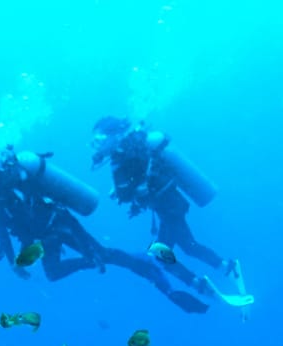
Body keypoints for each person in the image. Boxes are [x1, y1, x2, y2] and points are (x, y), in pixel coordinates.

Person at [0, 144, 211, 313]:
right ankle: (109, 261)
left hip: (60, 223)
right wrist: (14, 260)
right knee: (55, 272)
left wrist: (20, 250)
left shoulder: (13, 175)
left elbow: (27, 208)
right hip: (42, 236)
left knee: (102, 255)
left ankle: (152, 271)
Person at [90, 117, 249, 307]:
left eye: (100, 139)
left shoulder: (124, 152)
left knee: (162, 252)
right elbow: (138, 182)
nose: (98, 145)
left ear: (113, 135)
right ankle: (225, 269)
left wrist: (126, 192)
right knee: (186, 247)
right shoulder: (129, 149)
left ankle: (204, 281)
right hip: (168, 205)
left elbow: (130, 188)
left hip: (169, 207)